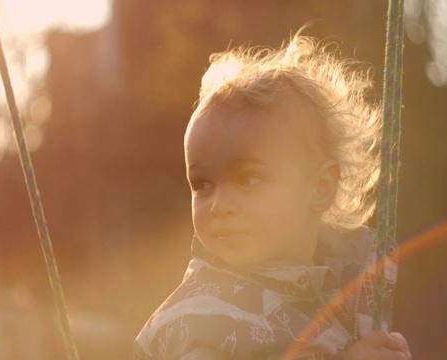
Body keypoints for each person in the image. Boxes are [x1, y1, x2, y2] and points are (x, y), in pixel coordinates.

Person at [134, 30, 411, 360]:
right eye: (203, 184)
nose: (219, 206)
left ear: (320, 188)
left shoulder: (347, 303)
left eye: (249, 179)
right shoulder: (201, 320)